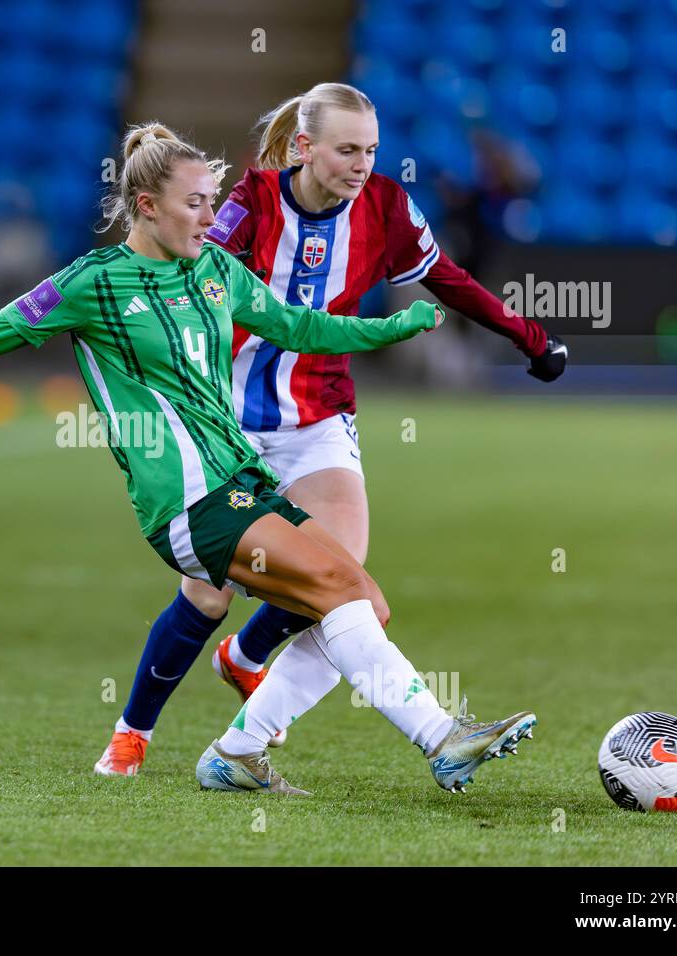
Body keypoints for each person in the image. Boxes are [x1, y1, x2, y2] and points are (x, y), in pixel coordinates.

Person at [0, 122, 531, 794]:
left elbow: (300, 324)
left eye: (212, 201)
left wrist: (391, 325)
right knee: (338, 592)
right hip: (188, 501)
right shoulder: (90, 284)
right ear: (148, 207)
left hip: (244, 483)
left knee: (367, 601)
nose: (210, 217)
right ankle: (440, 740)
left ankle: (231, 755)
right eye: (195, 204)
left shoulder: (216, 270)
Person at [96, 83, 562, 778]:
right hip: (229, 426)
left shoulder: (388, 209)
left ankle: (241, 737)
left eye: (372, 150)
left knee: (346, 584)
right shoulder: (251, 203)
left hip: (318, 420)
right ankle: (132, 734)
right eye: (348, 149)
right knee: (208, 595)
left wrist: (531, 339)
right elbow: (192, 283)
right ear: (306, 147)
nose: (362, 164)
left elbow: (452, 281)